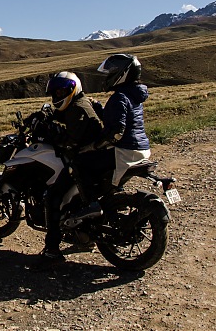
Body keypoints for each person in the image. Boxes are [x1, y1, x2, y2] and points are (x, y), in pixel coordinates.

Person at [29, 71, 103, 264]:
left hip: (83, 160)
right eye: (56, 93)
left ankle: (52, 250)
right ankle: (84, 238)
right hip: (93, 158)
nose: (58, 96)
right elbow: (61, 114)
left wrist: (51, 132)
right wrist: (46, 115)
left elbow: (70, 141)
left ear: (72, 88)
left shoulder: (78, 109)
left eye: (62, 91)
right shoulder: (77, 104)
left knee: (53, 198)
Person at [94, 53, 152, 189]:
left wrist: (98, 144)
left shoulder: (120, 97)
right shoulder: (133, 95)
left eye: (111, 72)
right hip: (141, 147)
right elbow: (115, 119)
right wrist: (98, 108)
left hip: (125, 150)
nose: (108, 76)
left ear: (122, 74)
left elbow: (117, 130)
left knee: (84, 163)